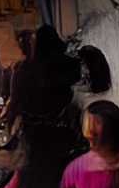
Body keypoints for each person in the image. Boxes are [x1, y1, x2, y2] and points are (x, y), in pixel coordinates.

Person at [7, 24, 83, 167]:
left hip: (33, 131)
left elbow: (16, 99)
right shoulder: (68, 64)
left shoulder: (24, 68)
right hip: (62, 129)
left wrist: (12, 119)